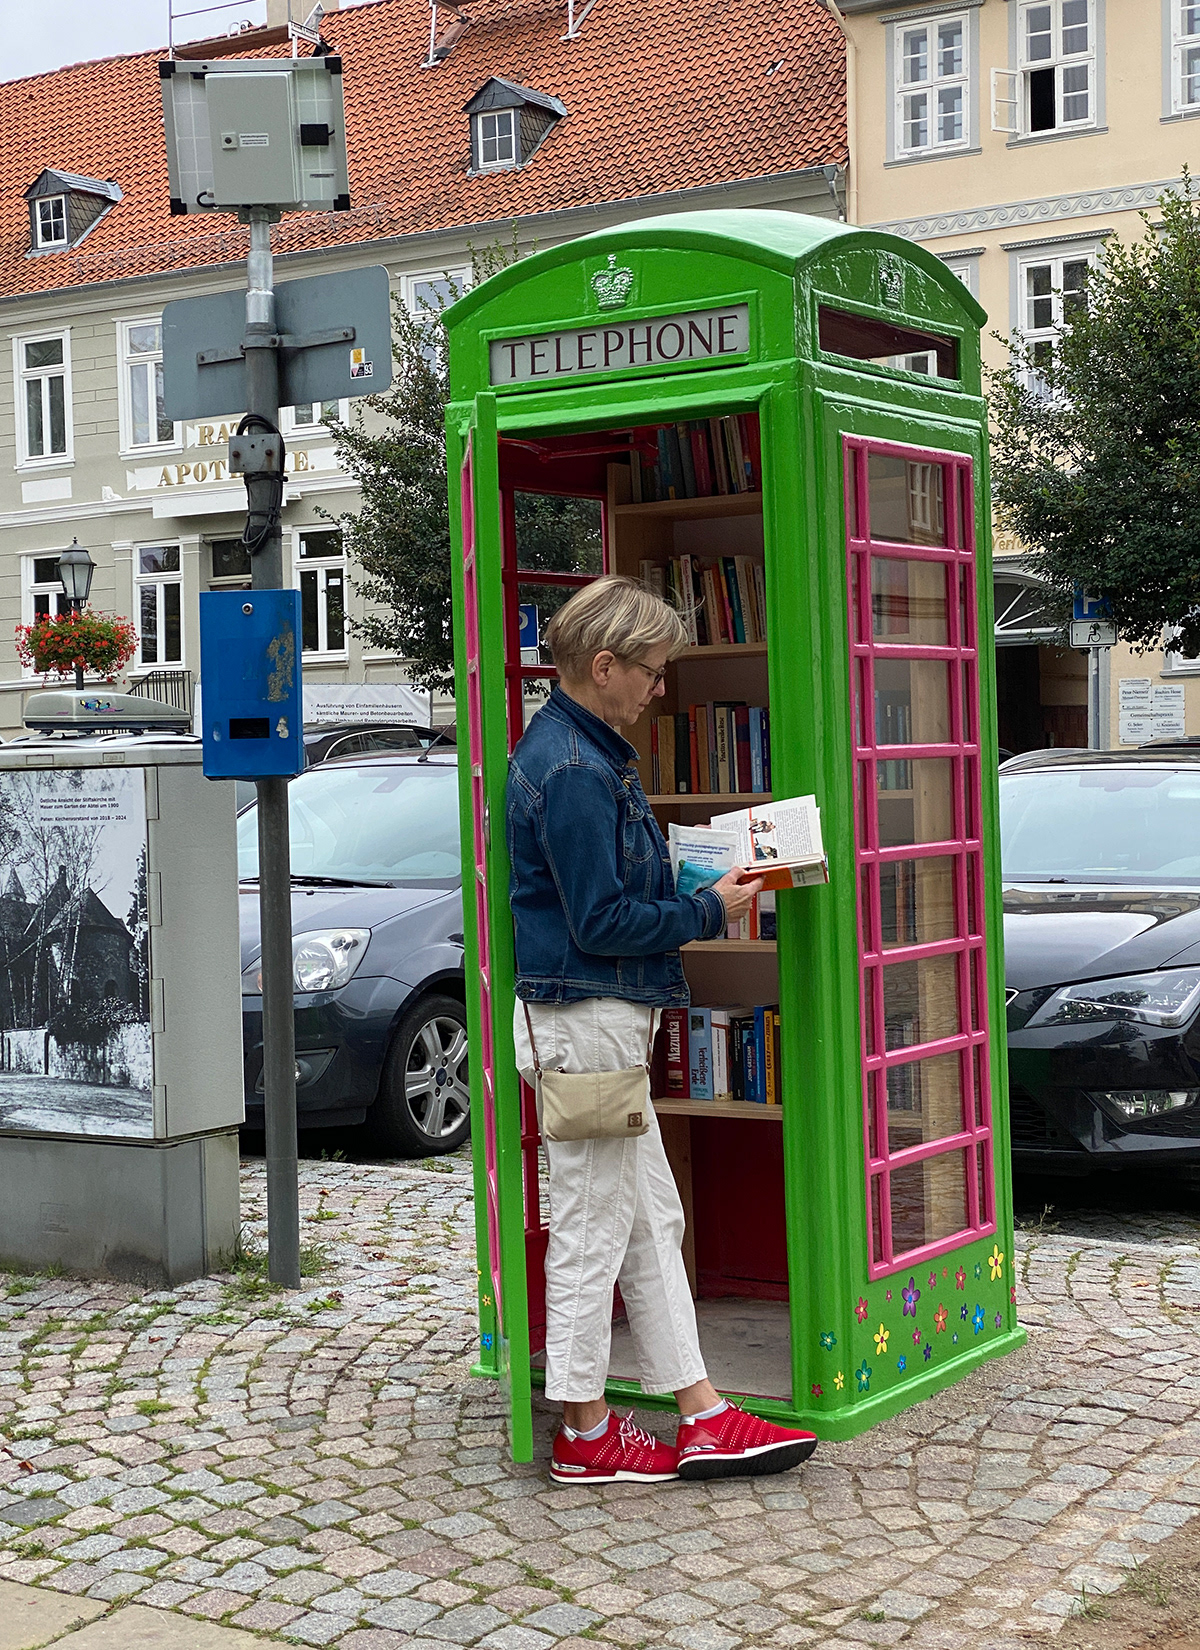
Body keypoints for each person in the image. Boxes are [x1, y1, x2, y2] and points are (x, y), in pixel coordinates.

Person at [507, 574, 818, 1485]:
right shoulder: (572, 770)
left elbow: (600, 897)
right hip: (587, 1020)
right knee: (593, 1226)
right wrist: (707, 910)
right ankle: (585, 1429)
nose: (659, 688)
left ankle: (701, 1410)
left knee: (650, 1221)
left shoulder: (586, 752)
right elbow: (600, 921)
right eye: (649, 670)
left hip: (599, 1018)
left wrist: (693, 880)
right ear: (602, 667)